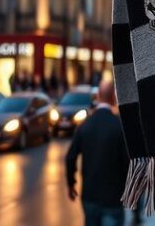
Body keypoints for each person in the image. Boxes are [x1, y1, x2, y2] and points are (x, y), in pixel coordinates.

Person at [65, 80, 129, 226]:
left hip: (90, 196)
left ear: (98, 96)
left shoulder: (84, 125)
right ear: (113, 98)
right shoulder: (119, 126)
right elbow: (127, 161)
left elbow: (70, 157)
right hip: (113, 197)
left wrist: (71, 183)